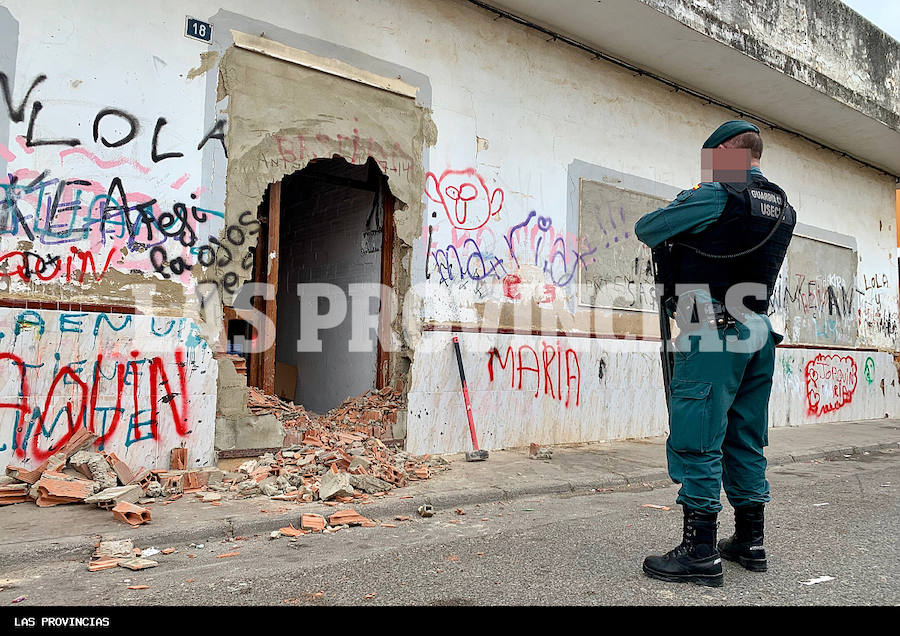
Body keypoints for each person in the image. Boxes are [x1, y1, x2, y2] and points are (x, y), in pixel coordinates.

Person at [633, 120, 796, 587]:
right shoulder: (783, 206)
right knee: (744, 436)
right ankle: (750, 541)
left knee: (699, 434)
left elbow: (649, 228)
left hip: (711, 328)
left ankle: (699, 551)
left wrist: (697, 191)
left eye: (710, 159)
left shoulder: (717, 194)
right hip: (759, 331)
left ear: (726, 151)